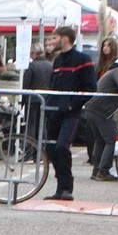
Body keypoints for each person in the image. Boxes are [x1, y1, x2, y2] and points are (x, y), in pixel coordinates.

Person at [42, 25, 97, 201]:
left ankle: (67, 187)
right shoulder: (57, 61)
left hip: (71, 113)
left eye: (54, 38)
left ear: (65, 39)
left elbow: (90, 88)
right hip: (54, 112)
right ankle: (60, 187)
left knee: (61, 146)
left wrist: (72, 106)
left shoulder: (83, 59)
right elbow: (53, 85)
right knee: (51, 148)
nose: (51, 42)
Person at [84, 44, 118, 181]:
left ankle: (96, 170)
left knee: (100, 140)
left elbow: (113, 90)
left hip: (92, 109)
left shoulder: (113, 72)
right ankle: (103, 171)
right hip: (101, 111)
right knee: (111, 140)